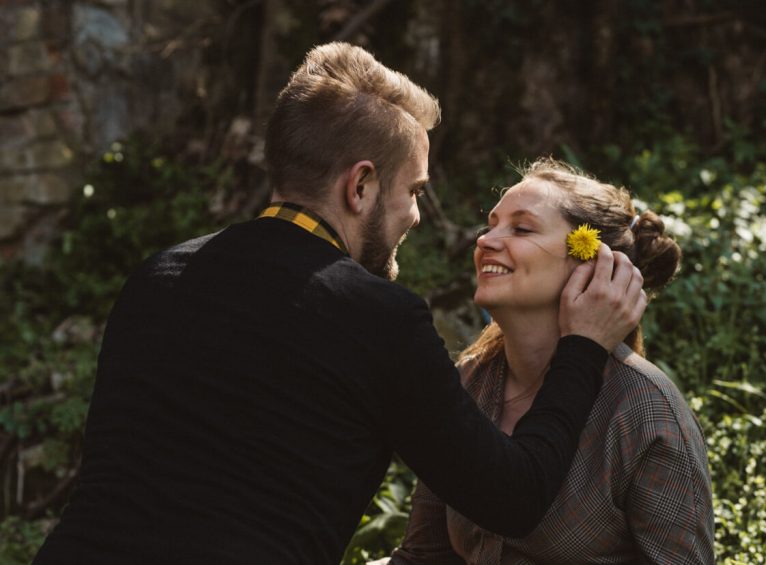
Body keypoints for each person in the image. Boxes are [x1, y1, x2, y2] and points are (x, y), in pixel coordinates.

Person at [32, 44, 648, 565]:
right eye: (413, 191)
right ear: (359, 186)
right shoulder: (377, 319)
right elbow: (512, 497)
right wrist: (582, 348)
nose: (414, 215)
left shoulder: (154, 278)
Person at [388, 159, 715, 564]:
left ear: (590, 261)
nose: (486, 240)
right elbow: (423, 557)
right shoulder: (468, 382)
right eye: (492, 225)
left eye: (521, 228)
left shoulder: (644, 411)